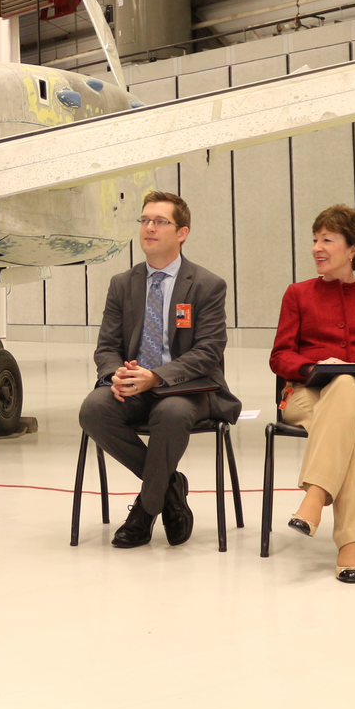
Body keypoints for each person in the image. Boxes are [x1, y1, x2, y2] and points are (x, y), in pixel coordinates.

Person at [79, 191, 237, 548]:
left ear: (182, 232)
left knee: (170, 414)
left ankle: (145, 512)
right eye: (145, 220)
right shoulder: (123, 284)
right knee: (93, 409)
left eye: (160, 221)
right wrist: (116, 374)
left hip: (187, 388)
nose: (149, 228)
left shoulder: (207, 285)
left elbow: (209, 352)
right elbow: (107, 347)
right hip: (134, 386)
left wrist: (157, 376)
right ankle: (169, 488)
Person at [268, 204, 355, 584]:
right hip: (306, 395)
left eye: (327, 240)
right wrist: (314, 368)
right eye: (315, 240)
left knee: (346, 386)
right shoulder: (297, 294)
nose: (317, 248)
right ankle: (351, 545)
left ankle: (315, 495)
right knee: (349, 430)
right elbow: (280, 356)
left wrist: (354, 366)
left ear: (353, 250)